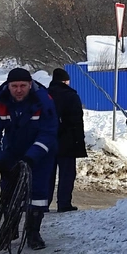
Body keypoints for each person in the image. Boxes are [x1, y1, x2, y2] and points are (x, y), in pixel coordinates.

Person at [0, 68, 58, 250]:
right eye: (14, 86)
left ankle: (33, 232)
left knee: (38, 193)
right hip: (13, 150)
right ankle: (10, 228)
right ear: (8, 86)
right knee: (9, 190)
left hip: (40, 153)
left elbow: (48, 132)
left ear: (30, 85)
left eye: (23, 85)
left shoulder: (43, 100)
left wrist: (31, 158)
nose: (18, 90)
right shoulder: (0, 101)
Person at [47, 68, 87, 213]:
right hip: (68, 142)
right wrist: (79, 142)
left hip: (48, 141)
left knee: (47, 173)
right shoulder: (71, 96)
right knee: (67, 174)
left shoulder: (45, 94)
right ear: (65, 81)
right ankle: (63, 204)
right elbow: (77, 121)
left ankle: (43, 203)